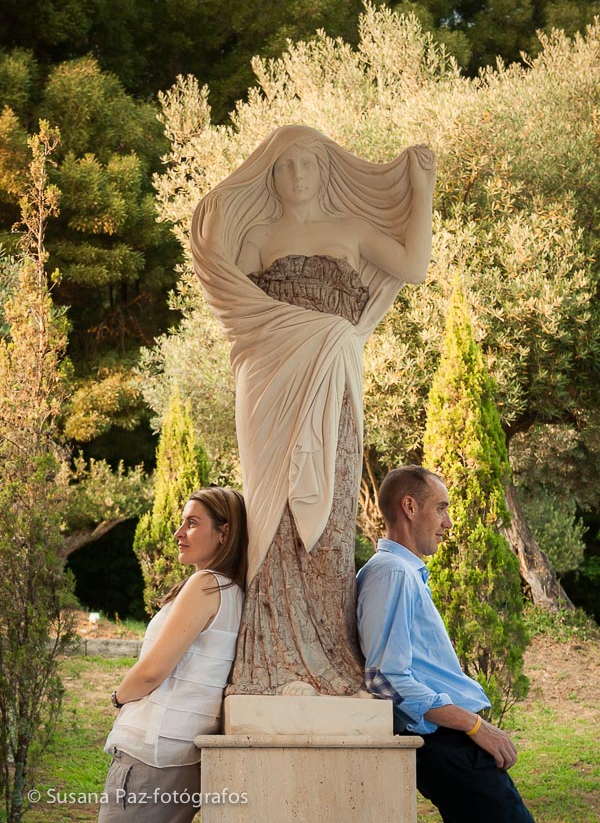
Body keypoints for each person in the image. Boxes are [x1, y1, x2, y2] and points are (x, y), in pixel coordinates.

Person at [190, 125, 435, 697]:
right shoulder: (257, 237)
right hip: (270, 380)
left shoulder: (350, 229)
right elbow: (225, 289)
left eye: (305, 164)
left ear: (323, 171)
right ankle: (273, 663)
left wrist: (420, 189)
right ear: (270, 177)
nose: (295, 175)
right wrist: (208, 221)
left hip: (335, 381)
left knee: (329, 516)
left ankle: (325, 655)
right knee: (272, 518)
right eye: (283, 166)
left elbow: (415, 266)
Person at [356, 465, 535, 823]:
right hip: (446, 741)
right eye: (441, 508)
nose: (448, 522)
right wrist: (473, 725)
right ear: (409, 507)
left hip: (451, 742)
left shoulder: (403, 572)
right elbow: (384, 679)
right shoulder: (393, 572)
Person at [98, 487, 248, 823]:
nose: (179, 534)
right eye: (182, 523)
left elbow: (153, 671)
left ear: (224, 532)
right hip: (185, 755)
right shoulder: (233, 591)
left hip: (154, 752)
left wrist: (118, 697)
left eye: (192, 523)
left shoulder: (206, 585)